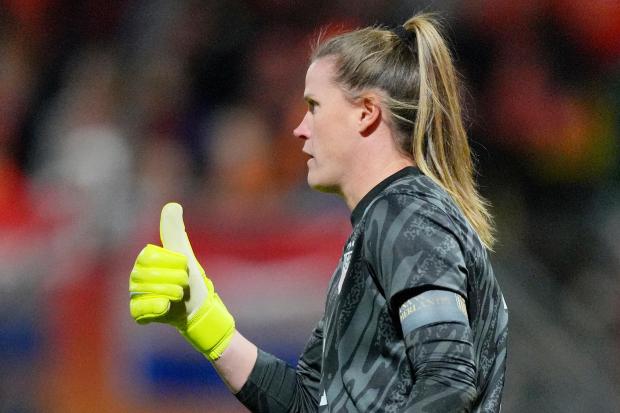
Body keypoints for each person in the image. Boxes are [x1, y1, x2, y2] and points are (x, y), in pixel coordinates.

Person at [129, 13, 508, 412]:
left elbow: (448, 379)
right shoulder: (376, 229)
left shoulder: (408, 217)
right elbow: (309, 403)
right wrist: (208, 325)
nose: (300, 128)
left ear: (366, 112)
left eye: (314, 106)